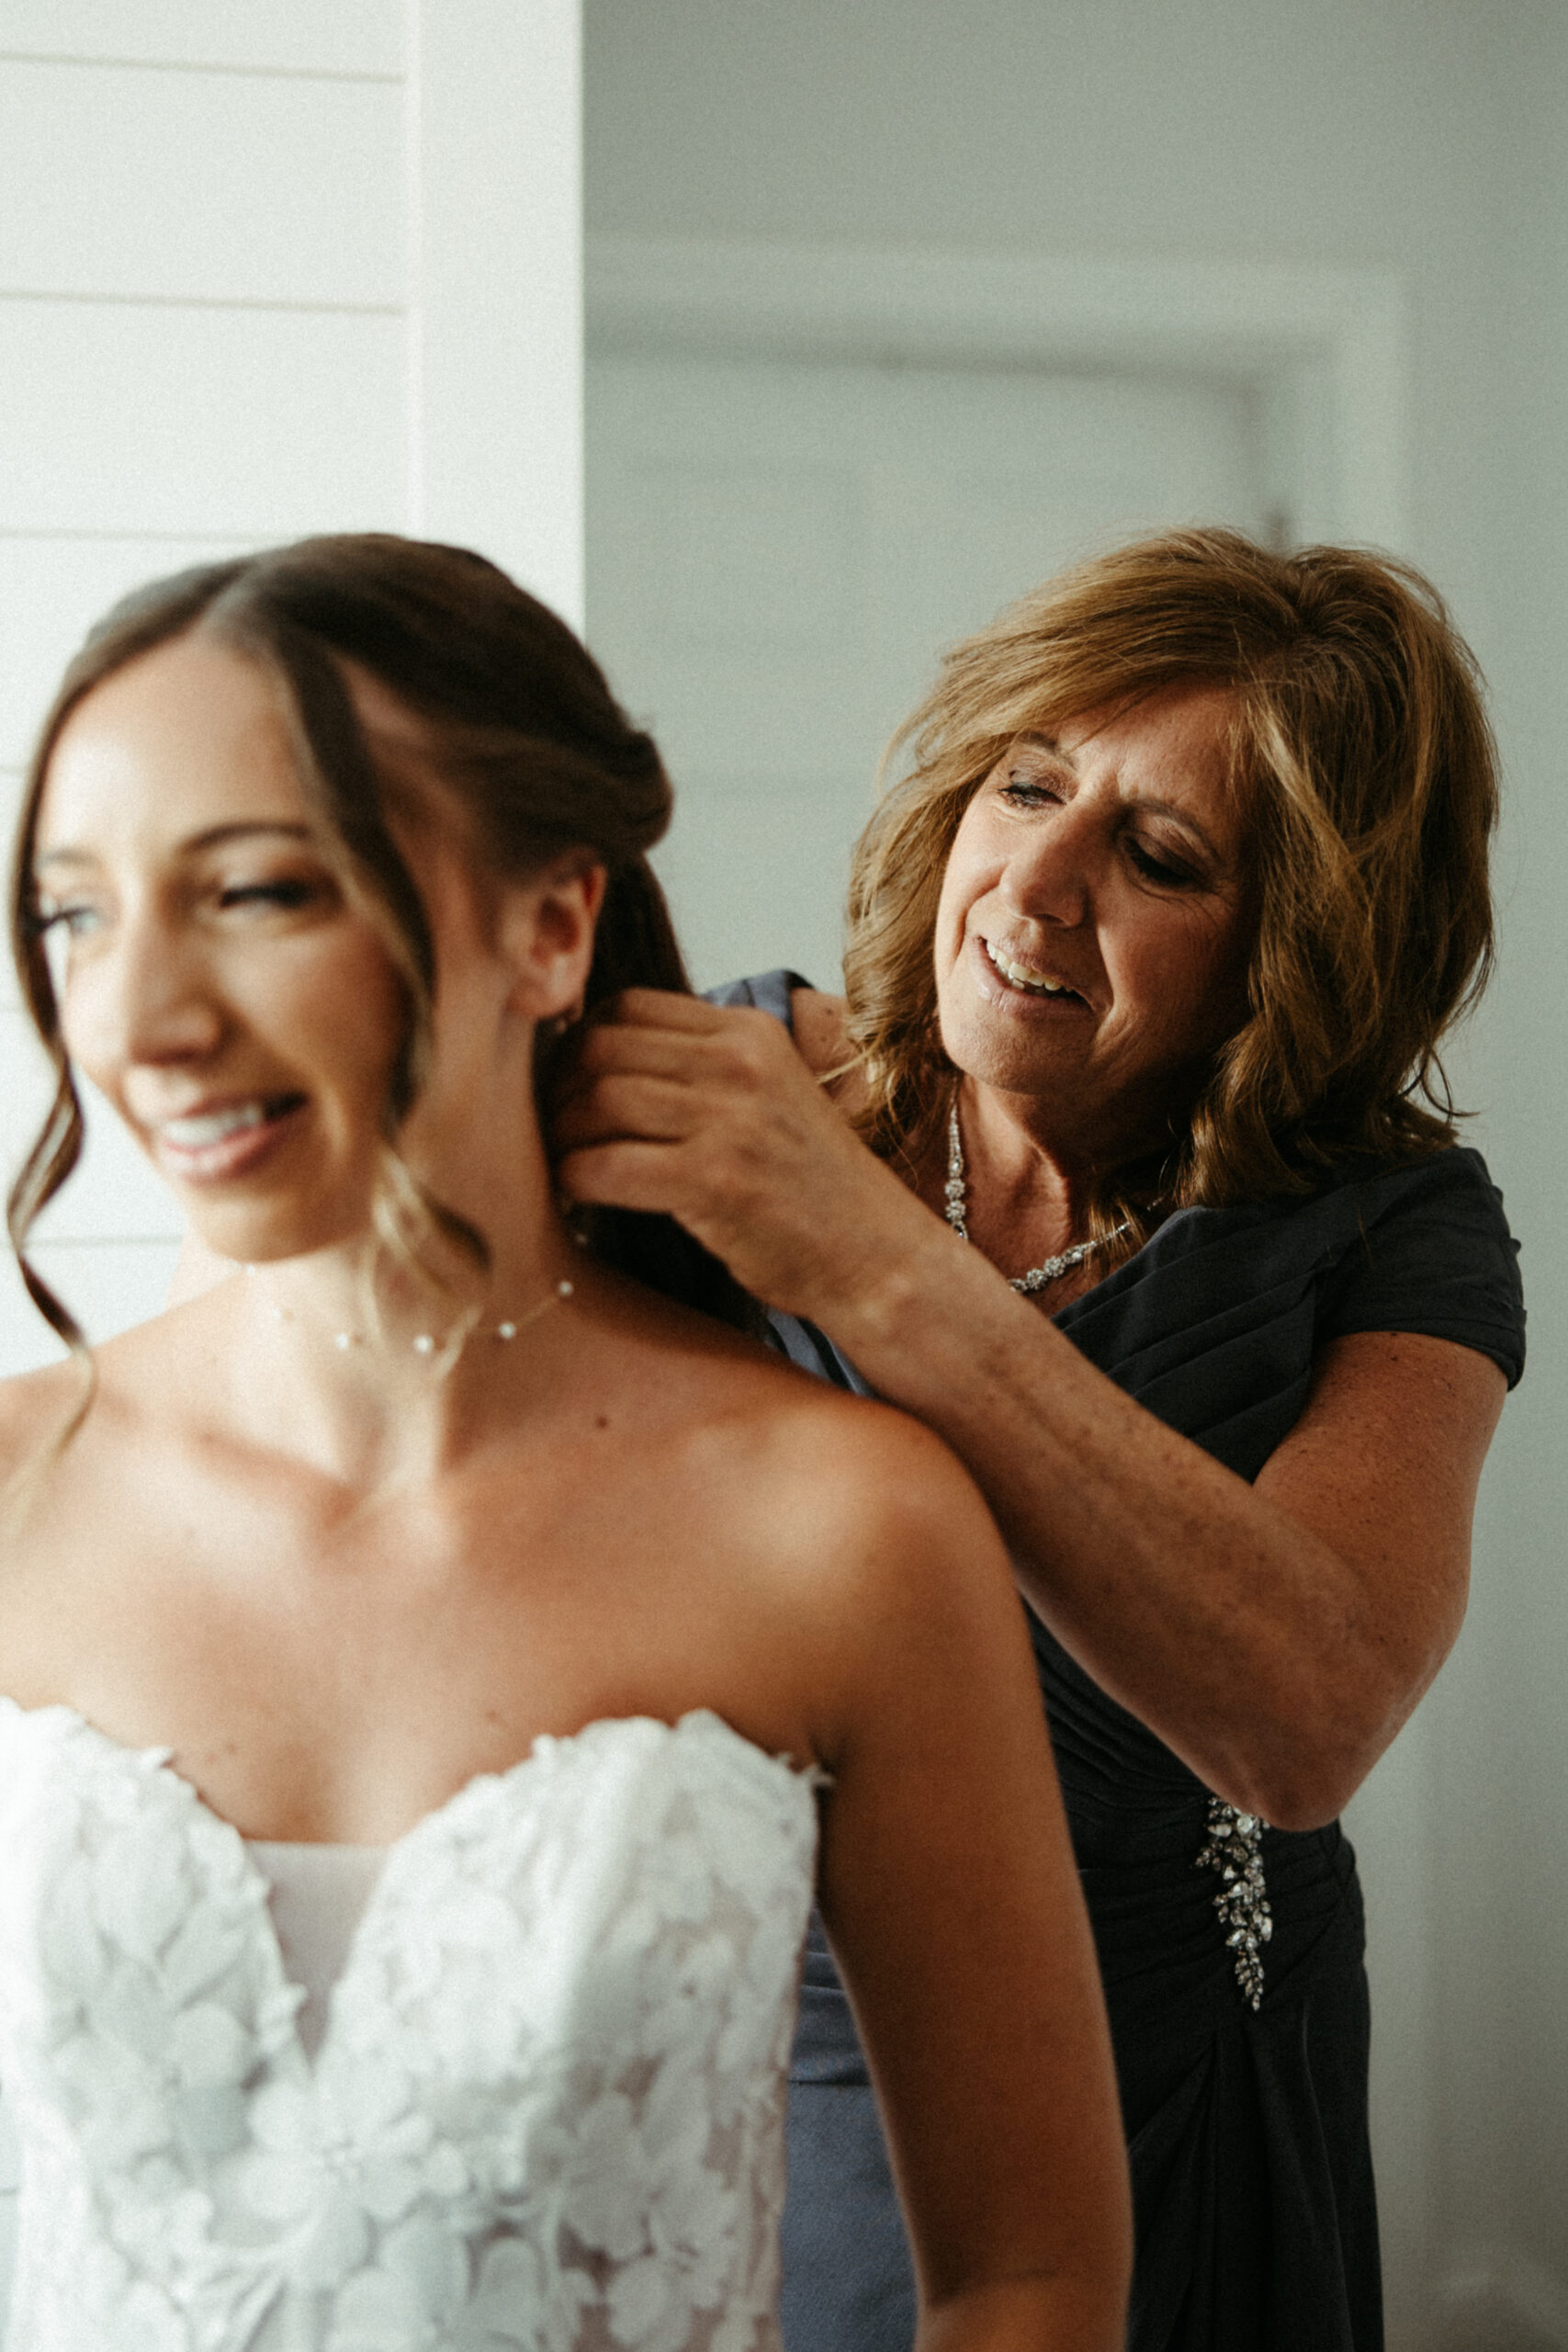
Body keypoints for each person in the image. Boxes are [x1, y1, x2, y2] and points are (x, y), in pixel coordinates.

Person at [0, 536, 1133, 2351]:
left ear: (548, 923)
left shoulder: (839, 1524)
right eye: (75, 913)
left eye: (262, 891)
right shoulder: (12, 1489)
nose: (137, 1020)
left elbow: (1027, 2273)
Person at [553, 527, 1527, 2352]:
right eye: (1026, 782)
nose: (1036, 878)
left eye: (1156, 854)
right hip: (756, 2040)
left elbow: (1305, 1712)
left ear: (1291, 949)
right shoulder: (727, 1097)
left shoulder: (1388, 1227)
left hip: (1171, 2068)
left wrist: (874, 1271)